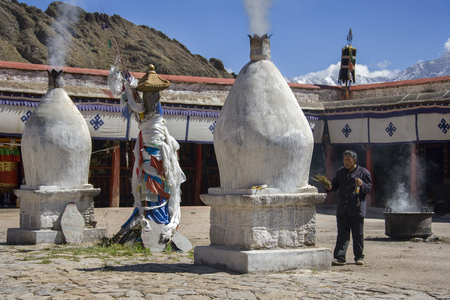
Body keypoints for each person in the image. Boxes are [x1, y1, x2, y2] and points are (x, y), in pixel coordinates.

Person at [325, 150, 372, 266]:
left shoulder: (363, 173)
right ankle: (340, 257)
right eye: (344, 160)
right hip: (343, 209)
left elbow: (369, 189)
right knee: (342, 234)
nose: (346, 162)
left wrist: (362, 185)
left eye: (348, 160)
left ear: (354, 160)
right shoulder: (340, 172)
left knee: (358, 235)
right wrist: (328, 186)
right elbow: (334, 186)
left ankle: (359, 257)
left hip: (357, 209)